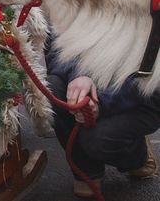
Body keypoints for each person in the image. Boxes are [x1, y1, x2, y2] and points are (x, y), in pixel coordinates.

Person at [46, 36, 160, 198]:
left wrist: (101, 102)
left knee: (98, 138)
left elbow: (150, 76)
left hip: (141, 94)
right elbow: (54, 51)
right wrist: (78, 76)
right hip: (90, 76)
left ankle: (138, 156)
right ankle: (87, 171)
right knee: (51, 88)